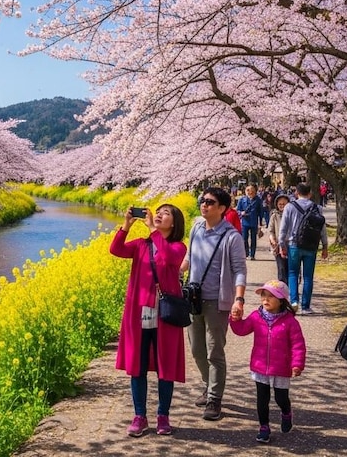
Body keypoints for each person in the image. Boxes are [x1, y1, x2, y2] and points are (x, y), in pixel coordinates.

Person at [110, 204, 188, 436]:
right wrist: (127, 225)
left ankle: (163, 416)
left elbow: (169, 257)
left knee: (166, 364)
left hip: (166, 313)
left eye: (166, 214)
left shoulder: (178, 246)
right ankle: (140, 415)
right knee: (138, 364)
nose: (160, 215)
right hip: (142, 312)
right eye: (159, 212)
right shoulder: (141, 245)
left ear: (174, 223)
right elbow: (116, 249)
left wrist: (153, 229)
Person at [181, 186, 248, 421]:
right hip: (193, 298)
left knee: (214, 351)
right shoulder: (196, 227)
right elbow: (189, 256)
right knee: (196, 349)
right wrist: (175, 271)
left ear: (222, 208)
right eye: (203, 200)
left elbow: (240, 270)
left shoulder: (232, 237)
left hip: (217, 301)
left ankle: (214, 398)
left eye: (210, 202)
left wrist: (239, 299)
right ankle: (208, 385)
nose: (204, 204)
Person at [230, 279, 306, 444]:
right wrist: (235, 319)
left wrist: (297, 364)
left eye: (271, 296)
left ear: (281, 300)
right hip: (260, 366)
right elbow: (242, 330)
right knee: (262, 398)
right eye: (263, 295)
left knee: (281, 398)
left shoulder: (290, 322)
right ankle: (264, 427)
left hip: (281, 367)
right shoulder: (256, 317)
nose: (266, 299)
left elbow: (298, 345)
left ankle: (286, 413)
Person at [278, 183, 328, 314]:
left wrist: (281, 244)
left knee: (293, 273)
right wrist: (325, 246)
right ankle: (306, 307)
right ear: (310, 193)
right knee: (308, 276)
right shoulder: (317, 208)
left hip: (294, 244)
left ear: (296, 193)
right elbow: (322, 229)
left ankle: (294, 302)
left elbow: (283, 228)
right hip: (311, 245)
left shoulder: (289, 207)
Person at [267, 194, 291, 284]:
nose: (282, 206)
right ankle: (282, 287)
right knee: (281, 268)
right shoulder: (274, 215)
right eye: (280, 204)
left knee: (290, 267)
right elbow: (271, 230)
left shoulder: (292, 215)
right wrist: (272, 239)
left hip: (290, 245)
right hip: (277, 246)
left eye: (284, 204)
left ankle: (290, 286)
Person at [236, 185, 264, 260]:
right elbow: (237, 210)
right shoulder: (242, 199)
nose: (250, 192)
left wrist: (260, 223)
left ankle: (252, 254)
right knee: (244, 238)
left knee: (253, 238)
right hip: (245, 221)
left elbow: (261, 211)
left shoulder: (258, 200)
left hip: (254, 221)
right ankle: (246, 253)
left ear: (255, 191)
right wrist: (241, 213)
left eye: (251, 190)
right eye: (248, 190)